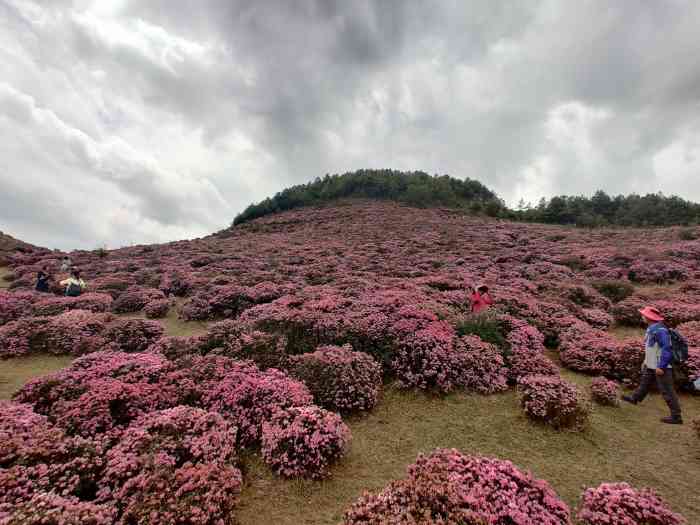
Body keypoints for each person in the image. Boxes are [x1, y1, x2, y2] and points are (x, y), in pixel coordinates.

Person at [622, 306, 683, 424]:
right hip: (651, 364)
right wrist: (645, 361)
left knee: (667, 391)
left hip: (661, 366)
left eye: (644, 315)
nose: (642, 316)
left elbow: (667, 349)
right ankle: (635, 398)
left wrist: (661, 366)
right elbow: (651, 348)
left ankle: (676, 416)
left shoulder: (660, 330)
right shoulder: (652, 328)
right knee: (645, 382)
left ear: (649, 317)